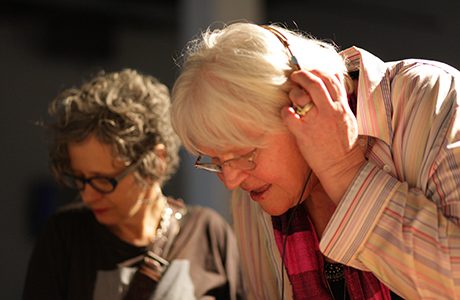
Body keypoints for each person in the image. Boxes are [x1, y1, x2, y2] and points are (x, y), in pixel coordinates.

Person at [170, 21, 460, 300]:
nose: (231, 181)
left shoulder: (432, 99)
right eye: (217, 162)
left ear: (304, 104)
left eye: (246, 155)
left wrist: (345, 173)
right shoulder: (254, 199)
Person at [23, 69, 242, 300]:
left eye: (102, 181)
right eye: (80, 179)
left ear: (157, 161)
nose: (88, 195)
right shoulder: (64, 238)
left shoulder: (207, 233)